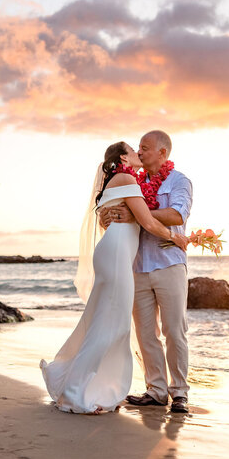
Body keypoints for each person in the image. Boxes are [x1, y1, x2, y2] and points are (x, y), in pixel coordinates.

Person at [40, 141, 188, 414]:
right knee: (111, 325)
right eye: (134, 150)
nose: (139, 154)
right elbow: (147, 222)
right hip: (118, 254)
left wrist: (130, 215)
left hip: (116, 253)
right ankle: (75, 392)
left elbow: (126, 215)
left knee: (110, 322)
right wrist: (175, 237)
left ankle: (92, 387)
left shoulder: (118, 180)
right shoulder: (126, 177)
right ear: (123, 157)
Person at [100, 130, 193, 414]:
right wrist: (113, 215)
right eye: (138, 148)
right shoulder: (133, 181)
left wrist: (139, 213)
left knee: (174, 330)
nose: (139, 153)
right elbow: (114, 217)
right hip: (138, 265)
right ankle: (156, 390)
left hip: (169, 262)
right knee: (145, 332)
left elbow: (178, 215)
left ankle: (179, 392)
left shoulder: (180, 181)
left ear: (163, 152)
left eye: (145, 148)